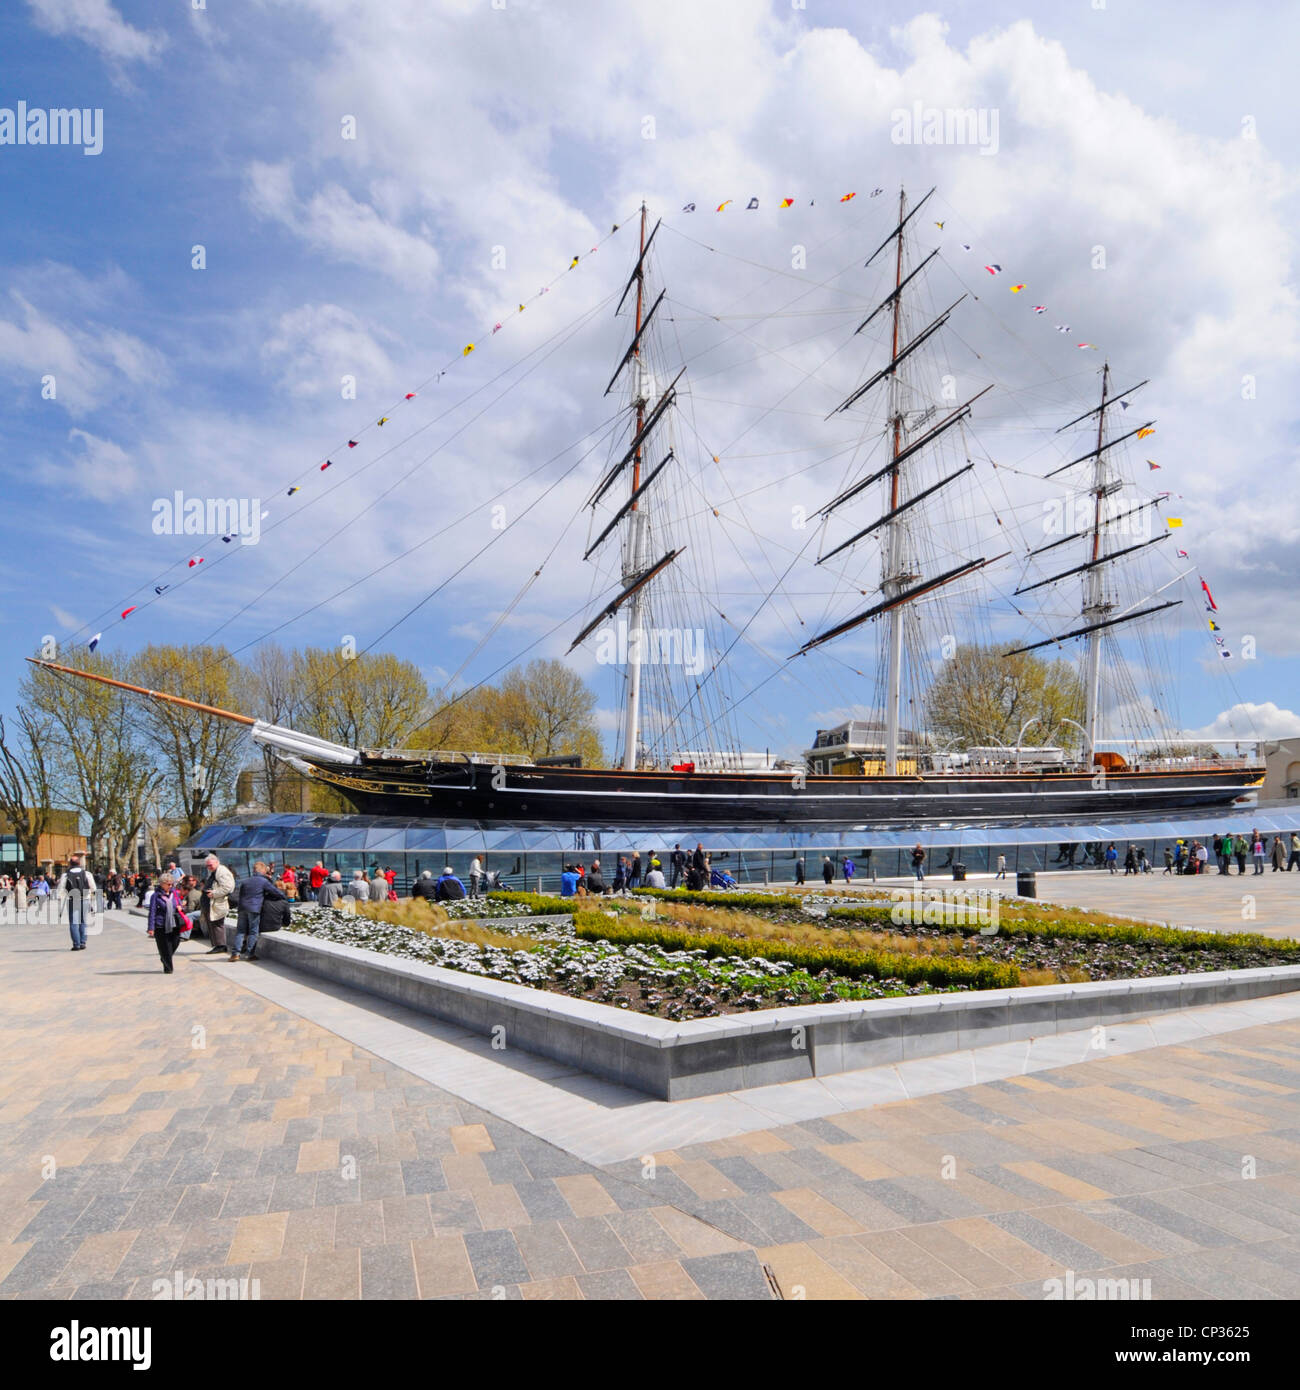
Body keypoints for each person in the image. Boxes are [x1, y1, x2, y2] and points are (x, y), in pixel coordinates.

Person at [229, 861, 284, 962]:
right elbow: (276, 892)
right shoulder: (263, 881)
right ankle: (249, 954)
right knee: (253, 931)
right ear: (263, 871)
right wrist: (283, 897)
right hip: (254, 909)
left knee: (240, 931)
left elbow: (240, 896)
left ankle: (235, 954)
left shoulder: (245, 881)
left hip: (242, 908)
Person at [147, 871, 188, 974]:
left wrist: (181, 907)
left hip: (174, 923)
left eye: (172, 884)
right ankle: (168, 968)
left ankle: (165, 958)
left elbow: (180, 905)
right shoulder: (156, 896)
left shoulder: (174, 893)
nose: (170, 886)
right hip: (161, 924)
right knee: (165, 946)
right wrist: (151, 927)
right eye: (168, 884)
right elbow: (152, 912)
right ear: (162, 884)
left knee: (175, 942)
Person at [58, 854, 96, 952]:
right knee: (83, 921)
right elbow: (93, 888)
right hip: (85, 898)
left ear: (70, 863)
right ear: (80, 863)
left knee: (74, 922)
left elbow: (60, 889)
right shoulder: (86, 874)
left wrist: (62, 897)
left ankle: (76, 944)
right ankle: (83, 942)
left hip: (72, 899)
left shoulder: (66, 875)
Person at [201, 853, 236, 955]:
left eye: (210, 865)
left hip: (218, 903)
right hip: (212, 903)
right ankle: (217, 945)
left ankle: (221, 945)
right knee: (213, 924)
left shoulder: (222, 872)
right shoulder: (215, 871)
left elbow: (228, 887)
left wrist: (214, 893)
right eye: (207, 865)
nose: (209, 867)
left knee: (217, 924)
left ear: (217, 862)